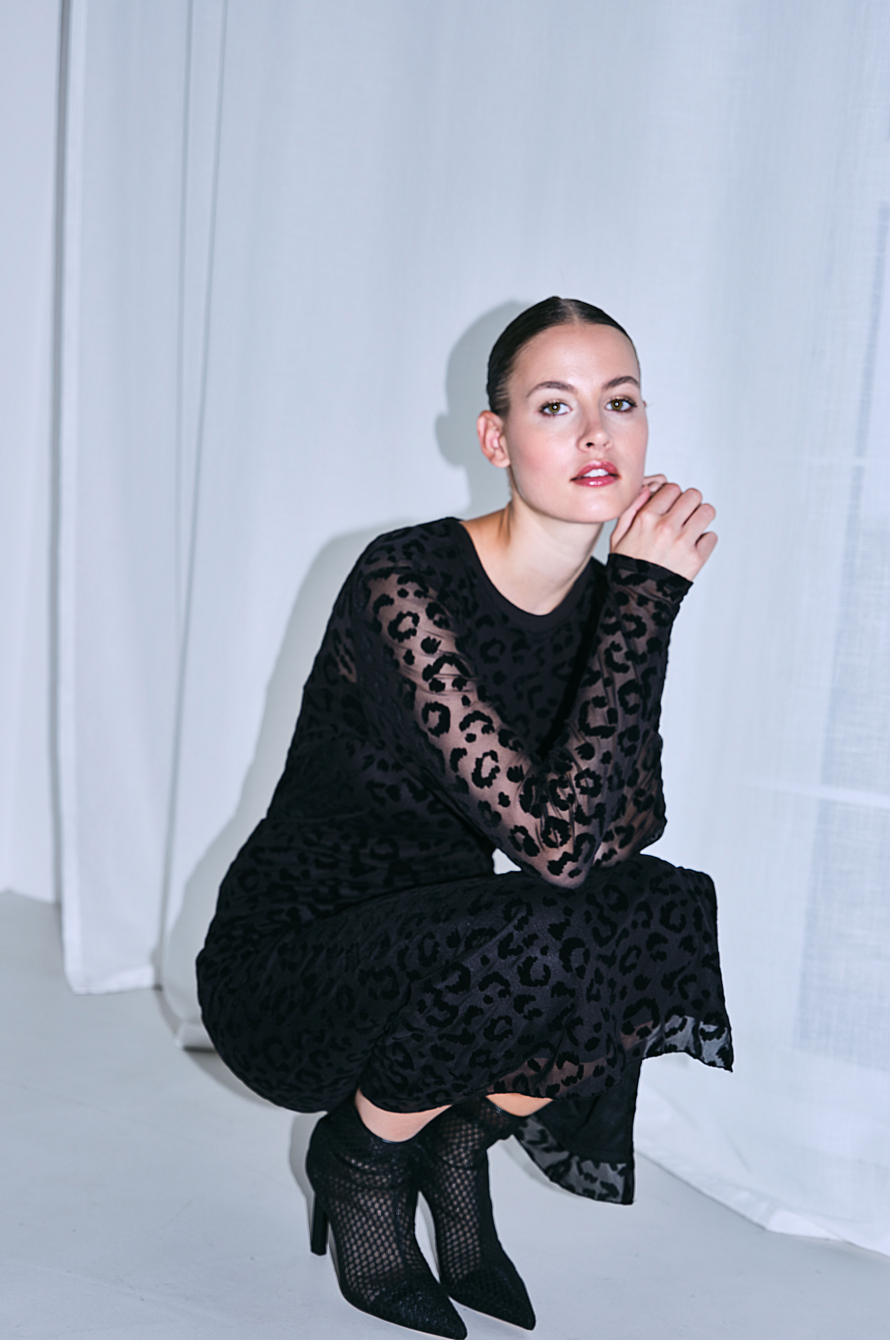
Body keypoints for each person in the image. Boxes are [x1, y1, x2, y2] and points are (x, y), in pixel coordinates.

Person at [196, 297, 733, 1338]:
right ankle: (361, 1157)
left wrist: (633, 610)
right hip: (296, 973)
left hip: (445, 963)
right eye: (555, 405)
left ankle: (455, 1137)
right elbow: (560, 848)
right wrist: (647, 601)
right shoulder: (407, 583)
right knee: (545, 926)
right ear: (495, 438)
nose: (596, 433)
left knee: (663, 909)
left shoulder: (611, 602)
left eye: (620, 402)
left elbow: (628, 824)